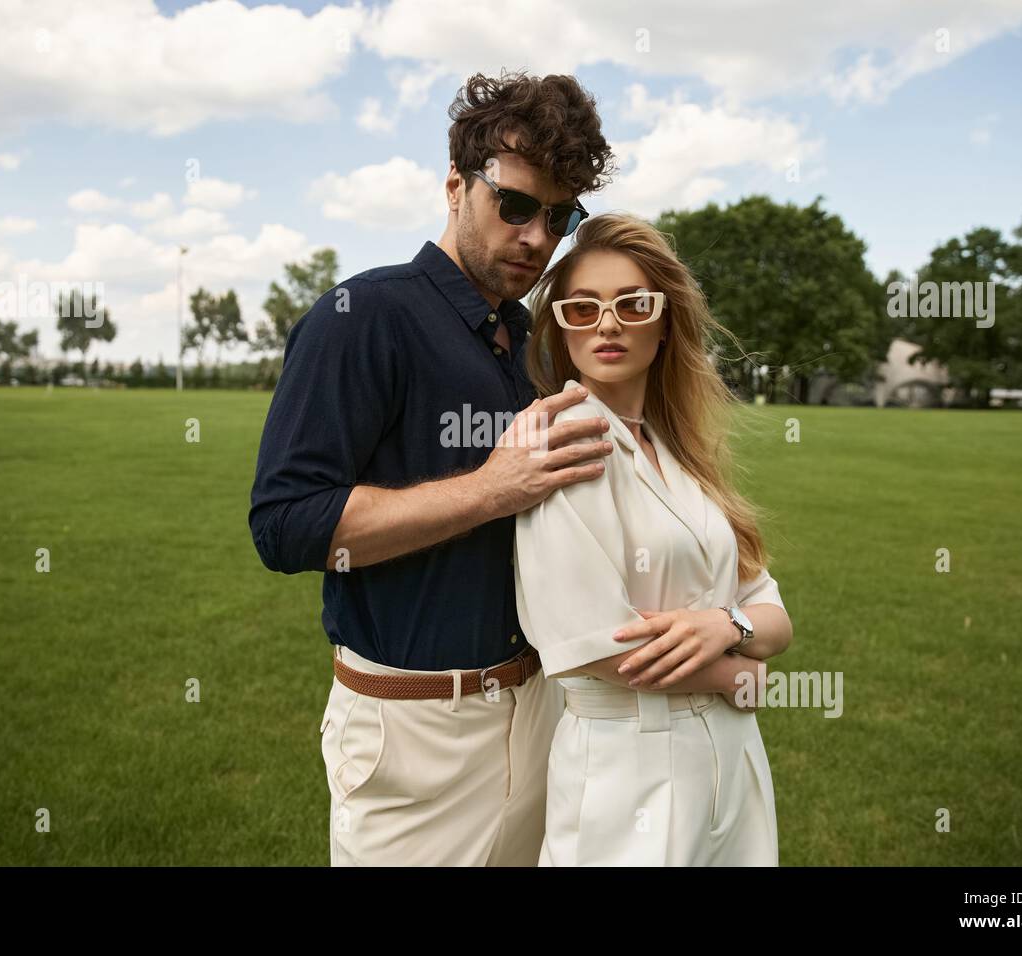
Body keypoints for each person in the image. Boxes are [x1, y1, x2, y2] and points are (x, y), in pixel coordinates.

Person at [248, 70, 618, 865]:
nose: (535, 237)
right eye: (514, 205)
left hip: (540, 710)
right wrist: (490, 489)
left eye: (559, 216)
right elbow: (285, 525)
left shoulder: (532, 341)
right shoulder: (364, 317)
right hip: (413, 728)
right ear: (456, 184)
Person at [513, 212, 795, 866]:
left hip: (729, 762)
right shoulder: (564, 439)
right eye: (582, 309)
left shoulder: (676, 449)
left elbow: (773, 611)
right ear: (558, 326)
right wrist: (739, 674)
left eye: (633, 304)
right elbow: (598, 643)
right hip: (630, 774)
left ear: (664, 321)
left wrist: (726, 624)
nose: (607, 324)